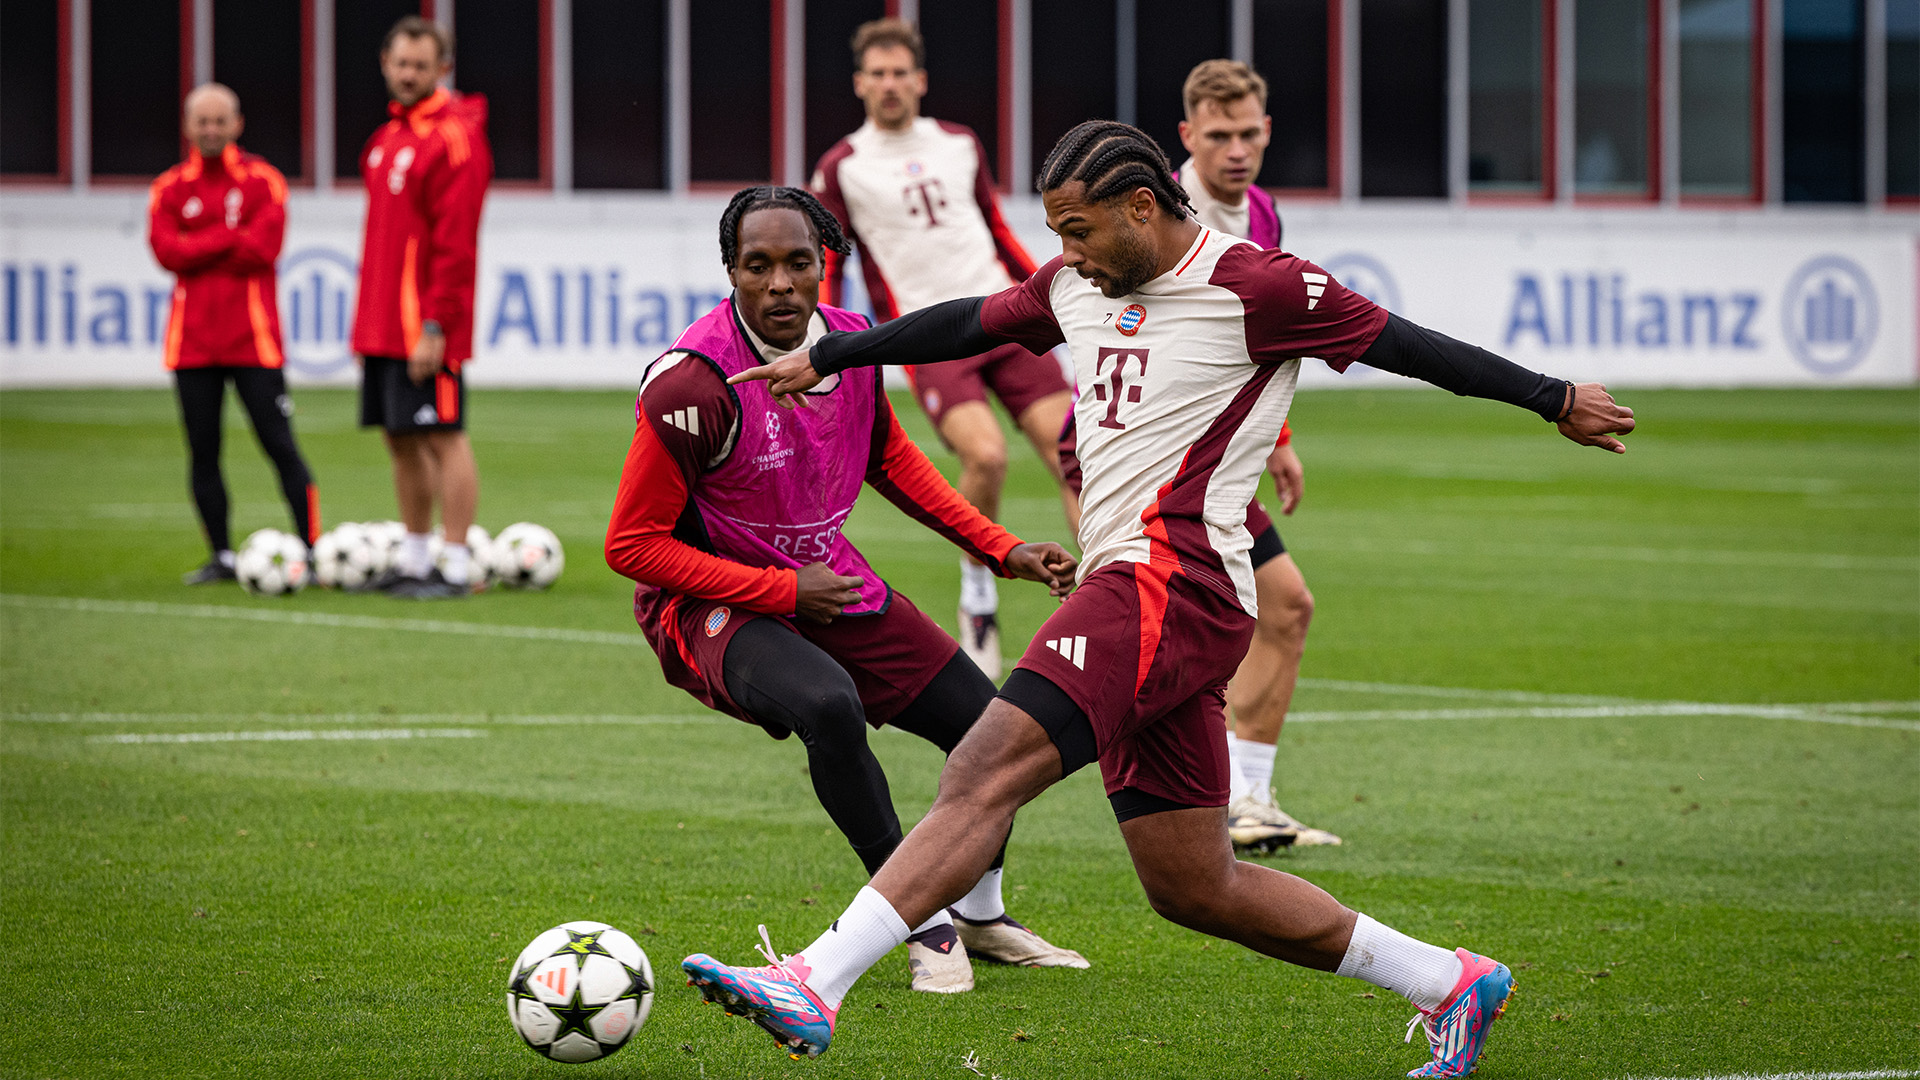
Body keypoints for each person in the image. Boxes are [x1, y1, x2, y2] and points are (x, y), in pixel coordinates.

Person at [683, 122, 1635, 1076]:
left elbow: (1411, 345)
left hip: (1173, 579)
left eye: (1081, 231)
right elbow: (968, 320)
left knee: (982, 767)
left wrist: (1555, 398)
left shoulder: (1262, 286)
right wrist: (834, 357)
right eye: (1057, 233)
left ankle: (814, 980)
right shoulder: (1073, 287)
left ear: (1142, 207)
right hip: (1145, 594)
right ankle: (1450, 981)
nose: (1069, 257)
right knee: (1193, 884)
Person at [604, 186, 1088, 994]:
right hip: (707, 606)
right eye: (758, 266)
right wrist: (783, 591)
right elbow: (632, 544)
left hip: (825, 583)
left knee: (994, 732)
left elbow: (890, 460)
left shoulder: (853, 344)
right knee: (829, 706)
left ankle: (979, 912)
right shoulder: (692, 384)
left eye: (799, 263)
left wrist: (1002, 549)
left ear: (824, 264)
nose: (781, 283)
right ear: (731, 271)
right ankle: (917, 920)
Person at [811, 18, 1078, 678]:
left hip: (1005, 314)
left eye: (901, 71)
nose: (891, 83)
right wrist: (827, 337)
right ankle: (980, 596)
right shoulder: (842, 166)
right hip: (934, 337)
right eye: (878, 73)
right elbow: (831, 262)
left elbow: (993, 227)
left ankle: (1110, 584)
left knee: (1077, 451)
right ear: (859, 84)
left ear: (921, 80)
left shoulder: (959, 143)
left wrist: (1051, 295)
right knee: (985, 458)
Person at [1177, 58, 1334, 849]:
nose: (1235, 149)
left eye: (1247, 134)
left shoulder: (1262, 211)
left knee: (1282, 608)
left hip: (1222, 458)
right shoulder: (1162, 214)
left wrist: (1276, 440)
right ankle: (1210, 808)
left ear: (1267, 131)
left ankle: (1248, 804)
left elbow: (1258, 340)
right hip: (1158, 460)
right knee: (1194, 632)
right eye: (1218, 136)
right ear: (1187, 137)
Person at [148, 83, 318, 584]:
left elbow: (263, 249)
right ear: (187, 127)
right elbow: (166, 253)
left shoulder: (265, 181)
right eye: (202, 121)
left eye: (220, 121)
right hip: (193, 344)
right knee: (203, 451)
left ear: (237, 124)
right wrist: (227, 236)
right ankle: (220, 555)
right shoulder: (169, 187)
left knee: (281, 446)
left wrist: (198, 242)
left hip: (254, 342)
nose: (211, 130)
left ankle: (313, 549)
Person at [350, 16, 491, 599]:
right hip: (382, 325)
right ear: (385, 63)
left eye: (420, 65)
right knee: (400, 438)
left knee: (443, 436)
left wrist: (436, 323)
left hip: (425, 326)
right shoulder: (386, 140)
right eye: (400, 63)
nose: (408, 74)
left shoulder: (454, 137)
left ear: (442, 69)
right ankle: (413, 561)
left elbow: (455, 244)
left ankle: (455, 566)